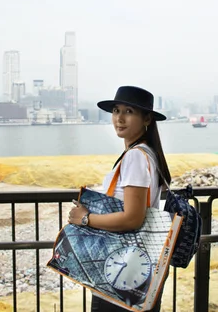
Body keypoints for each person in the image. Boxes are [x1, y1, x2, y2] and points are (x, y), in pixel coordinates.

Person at [67, 86, 172, 312]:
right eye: (116, 111)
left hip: (123, 266)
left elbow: (133, 218)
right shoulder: (148, 153)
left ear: (147, 119)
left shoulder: (135, 156)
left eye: (129, 112)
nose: (119, 118)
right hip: (139, 264)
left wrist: (86, 219)